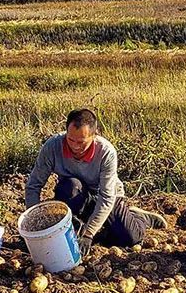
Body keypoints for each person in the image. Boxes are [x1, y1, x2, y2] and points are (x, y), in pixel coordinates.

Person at [25, 109, 165, 255]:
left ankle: (140, 218)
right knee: (70, 186)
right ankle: (81, 225)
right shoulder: (53, 146)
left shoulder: (106, 152)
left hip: (104, 195)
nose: (75, 146)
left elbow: (106, 197)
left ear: (94, 135)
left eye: (81, 142)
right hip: (76, 195)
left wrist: (89, 234)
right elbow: (33, 185)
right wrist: (36, 223)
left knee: (130, 238)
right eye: (70, 139)